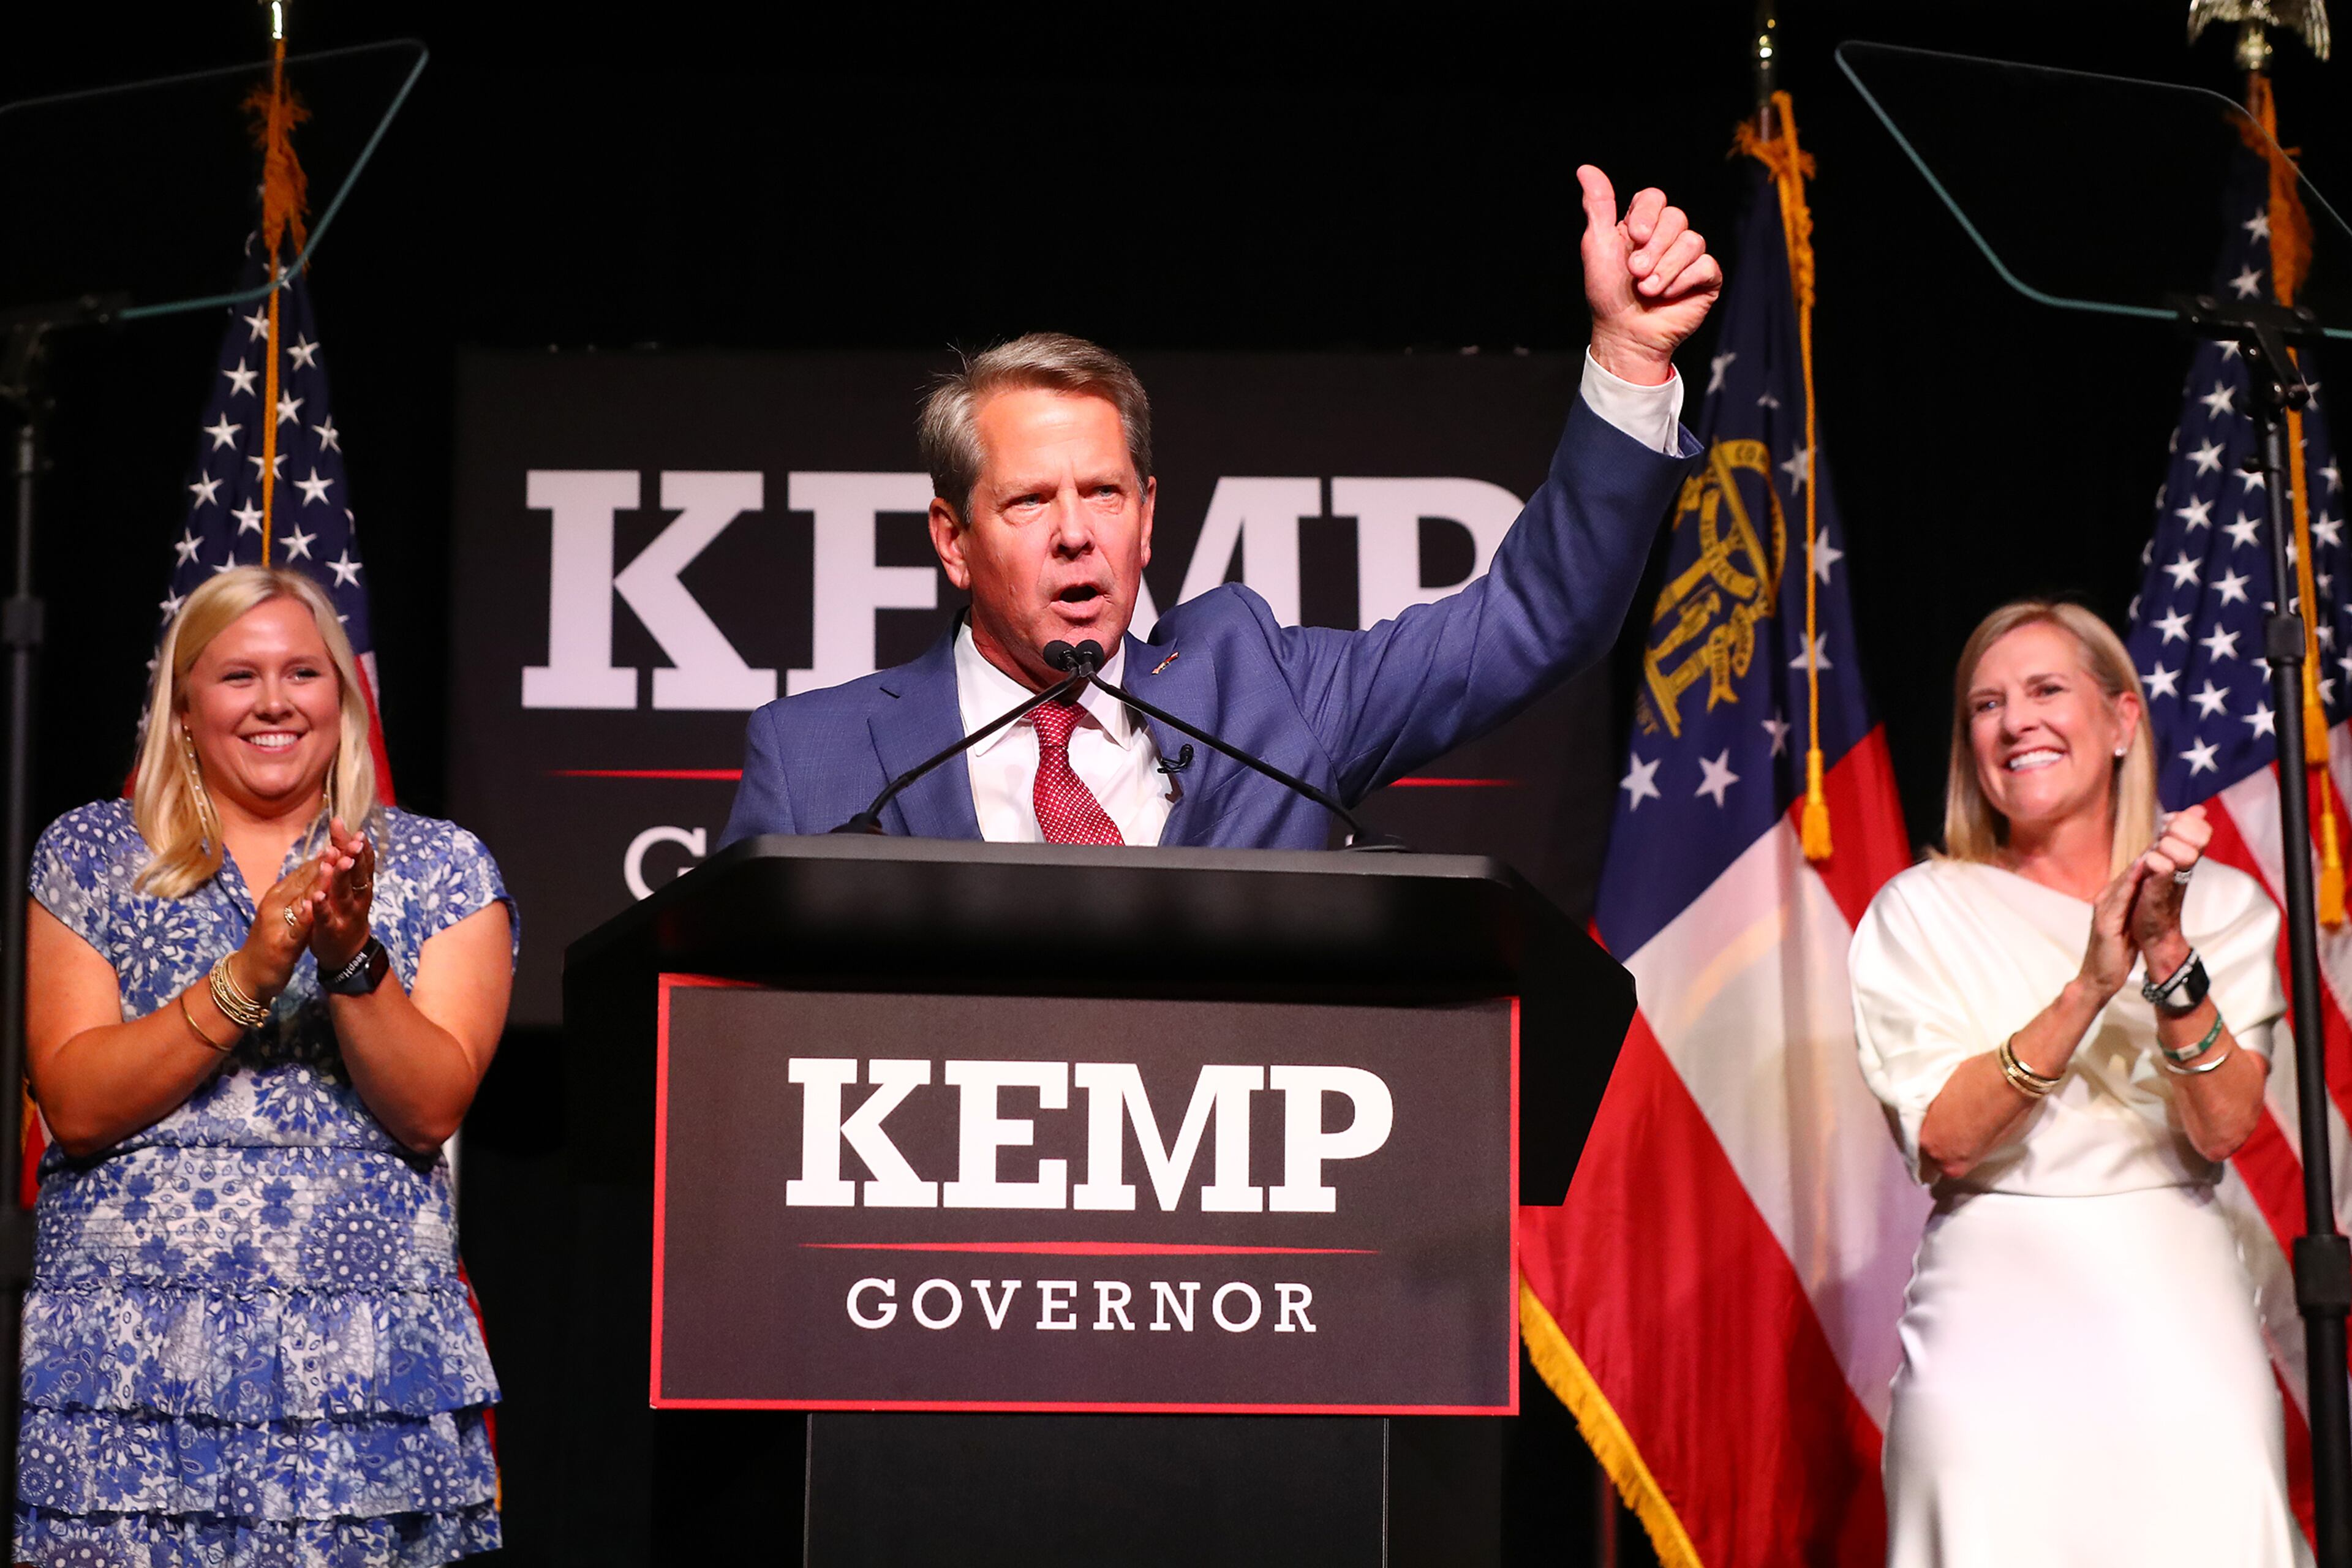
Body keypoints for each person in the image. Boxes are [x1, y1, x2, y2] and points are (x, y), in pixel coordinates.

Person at [720, 167, 1720, 848]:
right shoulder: (818, 761)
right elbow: (729, 1056)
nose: (1078, 532)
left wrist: (1630, 362)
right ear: (954, 539)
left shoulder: (1265, 696)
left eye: (1104, 493)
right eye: (1030, 501)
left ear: (1148, 518)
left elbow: (1536, 621)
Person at [18, 567, 513, 1565]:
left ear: (345, 695)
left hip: (363, 1372)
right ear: (186, 703)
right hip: (134, 1369)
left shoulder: (444, 868)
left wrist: (348, 958)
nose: (277, 701)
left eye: (304, 673)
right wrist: (249, 970)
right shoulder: (91, 855)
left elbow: (429, 1110)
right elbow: (73, 1105)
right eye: (240, 675)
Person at [1850, 600, 2298, 1566]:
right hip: (1992, 1328)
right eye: (1986, 704)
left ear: (2122, 719)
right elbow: (1948, 1140)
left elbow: (2223, 1129)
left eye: (2047, 690)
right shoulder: (1918, 912)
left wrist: (2166, 952)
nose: (2016, 722)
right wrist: (2094, 981)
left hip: (2178, 1314)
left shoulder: (2225, 906)